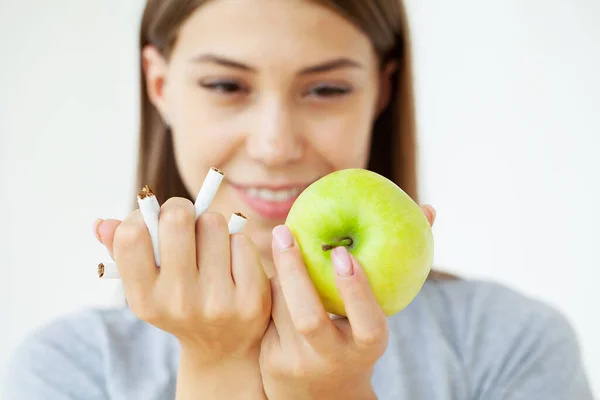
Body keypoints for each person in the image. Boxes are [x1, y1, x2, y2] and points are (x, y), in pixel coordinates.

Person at [4, 0, 593, 399]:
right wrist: (216, 367)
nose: (275, 145)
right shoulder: (70, 370)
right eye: (226, 86)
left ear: (381, 90)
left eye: (327, 89)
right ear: (160, 85)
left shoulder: (509, 346)